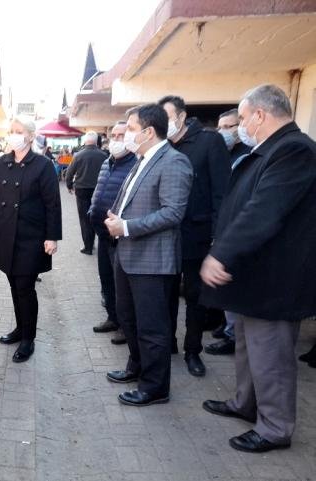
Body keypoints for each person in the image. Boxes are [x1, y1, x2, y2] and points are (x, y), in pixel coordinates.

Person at [200, 84, 316, 453]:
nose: (241, 125)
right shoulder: (271, 149)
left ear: (261, 115)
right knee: (250, 349)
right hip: (255, 274)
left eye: (244, 117)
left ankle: (274, 428)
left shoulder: (294, 150)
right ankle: (245, 403)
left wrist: (223, 253)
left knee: (272, 358)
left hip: (276, 277)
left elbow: (265, 209)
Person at [104, 104, 192, 407]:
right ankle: (137, 366)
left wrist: (126, 226)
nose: (126, 134)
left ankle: (155, 387)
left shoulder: (174, 162)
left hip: (153, 260)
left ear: (148, 131)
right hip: (128, 255)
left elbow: (173, 212)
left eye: (130, 128)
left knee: (152, 327)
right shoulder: (142, 160)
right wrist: (116, 215)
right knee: (128, 318)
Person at [158, 95, 231, 377]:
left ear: (181, 115)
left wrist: (218, 237)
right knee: (166, 292)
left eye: (167, 116)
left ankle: (193, 350)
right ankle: (169, 344)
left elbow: (221, 193)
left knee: (195, 296)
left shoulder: (209, 142)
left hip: (197, 234)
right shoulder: (163, 146)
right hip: (166, 234)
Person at [0, 117, 61, 363]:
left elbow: (52, 204)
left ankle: (29, 338)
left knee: (25, 287)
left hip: (31, 237)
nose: (14, 135)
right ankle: (19, 328)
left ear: (30, 136)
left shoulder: (43, 165)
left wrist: (52, 236)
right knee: (14, 285)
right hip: (6, 234)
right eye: (11, 131)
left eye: (19, 131)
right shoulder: (2, 163)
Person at [204, 108, 253, 356]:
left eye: (231, 125)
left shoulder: (249, 155)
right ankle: (227, 327)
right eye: (220, 127)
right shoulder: (225, 154)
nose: (224, 132)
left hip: (238, 234)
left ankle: (232, 335)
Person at [89, 121, 137, 344]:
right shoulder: (107, 162)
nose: (116, 140)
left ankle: (126, 328)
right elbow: (99, 190)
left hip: (121, 237)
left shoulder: (136, 164)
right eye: (113, 136)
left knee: (122, 287)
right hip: (103, 233)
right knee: (106, 279)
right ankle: (112, 318)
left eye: (121, 135)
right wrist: (92, 211)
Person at [65, 131, 106, 255]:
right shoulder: (103, 155)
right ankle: (101, 244)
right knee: (98, 216)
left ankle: (88, 246)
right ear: (96, 141)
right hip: (99, 190)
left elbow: (69, 173)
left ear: (85, 141)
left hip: (82, 190)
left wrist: (69, 185)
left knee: (84, 219)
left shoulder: (78, 155)